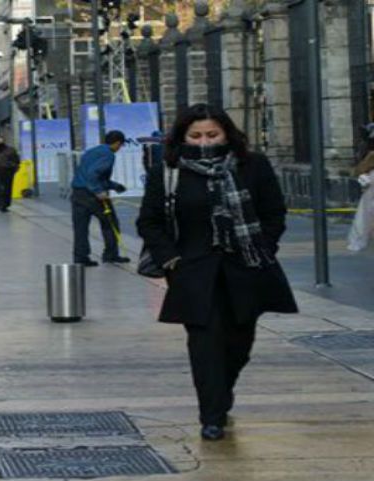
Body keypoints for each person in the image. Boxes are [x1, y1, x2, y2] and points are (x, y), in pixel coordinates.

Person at [136, 103, 298, 442]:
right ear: (182, 138)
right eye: (195, 136)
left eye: (212, 134)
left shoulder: (252, 166)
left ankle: (222, 396)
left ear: (227, 133)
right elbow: (149, 222)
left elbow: (274, 212)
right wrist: (171, 261)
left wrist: (265, 248)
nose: (204, 141)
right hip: (193, 273)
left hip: (247, 268)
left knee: (239, 342)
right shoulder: (168, 172)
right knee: (204, 345)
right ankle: (211, 415)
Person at [70, 130, 130, 267]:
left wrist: (115, 186)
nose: (119, 149)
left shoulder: (91, 151)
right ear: (117, 143)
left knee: (80, 227)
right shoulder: (108, 154)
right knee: (110, 223)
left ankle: (81, 257)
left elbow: (91, 174)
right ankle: (111, 254)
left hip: (77, 193)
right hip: (92, 196)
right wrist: (98, 191)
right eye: (120, 146)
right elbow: (93, 174)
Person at [348, 148, 374, 251]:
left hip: (368, 201)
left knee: (364, 222)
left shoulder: (367, 175)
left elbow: (363, 184)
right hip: (370, 201)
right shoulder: (369, 175)